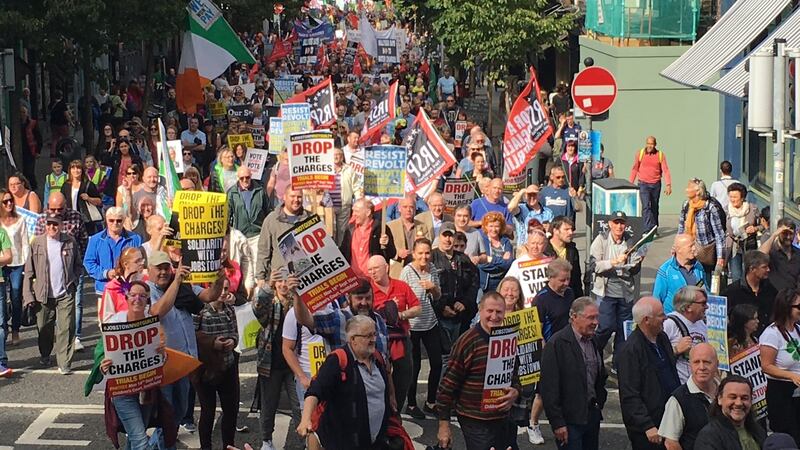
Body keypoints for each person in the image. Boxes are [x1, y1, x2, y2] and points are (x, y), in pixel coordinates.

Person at [147, 251, 225, 450]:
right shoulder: (146, 290)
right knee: (167, 414)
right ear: (149, 271)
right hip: (163, 365)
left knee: (180, 412)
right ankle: (164, 446)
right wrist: (176, 282)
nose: (164, 272)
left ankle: (155, 445)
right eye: (159, 268)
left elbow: (209, 296)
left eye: (166, 267)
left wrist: (218, 280)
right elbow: (158, 311)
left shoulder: (182, 287)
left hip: (185, 362)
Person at [99, 273, 186, 450]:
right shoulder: (115, 322)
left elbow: (161, 362)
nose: (137, 299)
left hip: (146, 391)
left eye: (142, 296)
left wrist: (162, 355)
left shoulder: (153, 325)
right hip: (123, 392)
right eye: (133, 295)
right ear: (126, 297)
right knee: (140, 441)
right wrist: (103, 366)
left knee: (134, 438)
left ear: (148, 300)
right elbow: (102, 358)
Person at [436, 292, 520, 450]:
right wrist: (444, 425)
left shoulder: (509, 338)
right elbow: (448, 384)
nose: (494, 316)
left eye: (499, 312)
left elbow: (515, 373)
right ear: (480, 311)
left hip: (503, 418)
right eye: (490, 311)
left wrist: (515, 391)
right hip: (475, 420)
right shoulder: (467, 341)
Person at [296, 315, 393, 450]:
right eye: (367, 336)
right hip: (344, 443)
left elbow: (386, 387)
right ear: (353, 339)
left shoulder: (377, 358)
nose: (373, 339)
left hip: (375, 442)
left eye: (374, 334)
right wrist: (305, 419)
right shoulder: (337, 360)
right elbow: (315, 391)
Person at [540, 297, 607, 450]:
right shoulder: (556, 344)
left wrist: (599, 402)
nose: (596, 322)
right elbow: (549, 388)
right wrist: (558, 423)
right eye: (591, 317)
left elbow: (600, 376)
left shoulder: (594, 341)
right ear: (574, 317)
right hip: (569, 421)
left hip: (591, 416)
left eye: (597, 317)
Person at [23, 212, 82, 374]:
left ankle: (64, 362)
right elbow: (29, 271)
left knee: (66, 328)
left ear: (61, 225)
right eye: (49, 224)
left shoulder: (70, 241)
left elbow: (78, 264)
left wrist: (74, 281)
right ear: (45, 225)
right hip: (43, 294)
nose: (52, 227)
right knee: (44, 327)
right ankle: (45, 353)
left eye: (55, 224)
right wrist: (28, 295)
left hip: (65, 292)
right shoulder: (37, 243)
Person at [618, 297, 680, 450]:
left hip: (669, 419)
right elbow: (629, 394)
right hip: (649, 429)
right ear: (646, 320)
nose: (665, 318)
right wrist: (647, 425)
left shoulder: (662, 338)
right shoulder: (631, 350)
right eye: (660, 315)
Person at [253, 269, 304, 450]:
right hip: (271, 363)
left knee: (300, 406)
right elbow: (257, 309)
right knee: (268, 406)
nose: (283, 285)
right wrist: (266, 287)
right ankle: (266, 440)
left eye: (286, 281)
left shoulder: (296, 302)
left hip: (294, 364)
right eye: (279, 281)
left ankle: (304, 441)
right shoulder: (270, 303)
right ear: (274, 283)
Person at [34, 192, 90, 349]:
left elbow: (84, 240)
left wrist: (78, 264)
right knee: (47, 315)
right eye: (53, 209)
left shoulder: (76, 217)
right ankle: (48, 345)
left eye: (60, 209)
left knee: (76, 304)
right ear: (47, 207)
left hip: (71, 270)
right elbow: (37, 245)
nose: (56, 213)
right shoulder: (41, 220)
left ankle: (75, 338)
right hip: (48, 272)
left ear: (65, 205)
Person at [589, 211, 643, 368]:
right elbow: (594, 266)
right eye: (616, 223)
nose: (619, 226)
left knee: (623, 331)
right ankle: (593, 355)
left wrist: (636, 263)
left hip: (625, 293)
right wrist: (613, 262)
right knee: (605, 327)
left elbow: (634, 271)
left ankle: (617, 364)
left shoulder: (630, 241)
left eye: (622, 223)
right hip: (605, 293)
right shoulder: (601, 240)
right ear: (610, 224)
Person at [194, 278, 240, 450]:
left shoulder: (229, 310)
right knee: (208, 412)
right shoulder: (199, 310)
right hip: (206, 369)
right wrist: (213, 343)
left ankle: (229, 446)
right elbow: (193, 335)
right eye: (220, 288)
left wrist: (232, 342)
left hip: (228, 366)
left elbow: (235, 333)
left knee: (231, 411)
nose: (223, 292)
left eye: (226, 288)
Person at [399, 238, 443, 419]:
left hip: (430, 323)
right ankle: (410, 404)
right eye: (420, 253)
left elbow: (438, 296)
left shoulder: (432, 269)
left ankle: (431, 401)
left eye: (427, 253)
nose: (424, 257)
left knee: (437, 363)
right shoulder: (407, 272)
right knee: (414, 366)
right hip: (413, 327)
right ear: (413, 253)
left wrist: (433, 288)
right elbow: (401, 299)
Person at [759, 288, 800, 445]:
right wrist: (791, 376)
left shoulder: (797, 329)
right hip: (781, 393)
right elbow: (766, 366)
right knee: (790, 436)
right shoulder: (772, 334)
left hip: (797, 395)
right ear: (786, 307)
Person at [658, 343, 719, 450]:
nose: (702, 367)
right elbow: (671, 443)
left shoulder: (726, 392)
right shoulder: (678, 400)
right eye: (696, 362)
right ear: (690, 365)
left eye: (707, 362)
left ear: (717, 364)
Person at [430, 222, 480, 340]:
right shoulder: (431, 257)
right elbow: (427, 288)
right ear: (439, 237)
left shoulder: (463, 259)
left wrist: (465, 302)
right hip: (438, 317)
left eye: (450, 236)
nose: (447, 239)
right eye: (444, 236)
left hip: (461, 315)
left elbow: (474, 283)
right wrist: (442, 307)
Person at [256, 188, 312, 287]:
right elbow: (263, 250)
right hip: (281, 281)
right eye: (292, 196)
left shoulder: (310, 218)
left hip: (306, 278)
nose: (296, 200)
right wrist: (260, 277)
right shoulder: (271, 220)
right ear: (284, 197)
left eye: (299, 197)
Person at [693, 375, 766, 449]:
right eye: (733, 397)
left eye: (744, 398)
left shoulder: (758, 431)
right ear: (719, 399)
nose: (739, 403)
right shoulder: (708, 436)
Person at [678, 178, 727, 283]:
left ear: (697, 191)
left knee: (709, 284)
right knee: (692, 283)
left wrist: (720, 257)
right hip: (690, 251)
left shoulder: (710, 207)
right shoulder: (687, 205)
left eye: (689, 188)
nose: (686, 190)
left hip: (707, 253)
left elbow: (719, 234)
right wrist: (676, 246)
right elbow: (681, 228)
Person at [0, 189, 29, 346]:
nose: (9, 203)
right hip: (2, 263)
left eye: (10, 200)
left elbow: (25, 243)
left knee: (16, 295)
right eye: (5, 201)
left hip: (17, 262)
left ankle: (16, 329)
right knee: (2, 299)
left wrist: (26, 264)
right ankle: (3, 329)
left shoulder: (20, 219)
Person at [724, 250, 775, 337]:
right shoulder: (731, 292)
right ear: (752, 269)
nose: (768, 269)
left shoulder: (770, 289)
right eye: (764, 267)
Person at [663, 286, 709, 383]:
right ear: (688, 307)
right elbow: (654, 354)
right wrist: (676, 350)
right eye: (703, 303)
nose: (707, 307)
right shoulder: (669, 323)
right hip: (677, 386)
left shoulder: (701, 323)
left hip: (698, 384)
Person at [341, 198, 396, 278]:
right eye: (353, 211)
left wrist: (387, 245)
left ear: (368, 212)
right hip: (354, 280)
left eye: (357, 211)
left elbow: (392, 254)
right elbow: (343, 252)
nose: (354, 214)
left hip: (373, 280)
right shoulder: (350, 229)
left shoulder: (381, 229)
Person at [653, 234, 706, 314]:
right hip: (673, 321)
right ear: (679, 249)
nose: (694, 248)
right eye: (690, 246)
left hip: (695, 319)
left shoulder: (698, 267)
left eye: (694, 245)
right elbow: (657, 300)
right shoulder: (665, 271)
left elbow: (704, 292)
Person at [629, 136, 672, 233]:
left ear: (655, 144)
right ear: (646, 144)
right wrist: (630, 183)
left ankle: (654, 228)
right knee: (646, 206)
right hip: (643, 184)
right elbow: (635, 168)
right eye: (648, 143)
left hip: (656, 184)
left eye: (652, 144)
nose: (650, 146)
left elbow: (665, 170)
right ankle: (646, 229)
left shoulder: (660, 155)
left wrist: (668, 185)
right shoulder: (640, 154)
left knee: (654, 206)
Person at [227, 166, 269, 263]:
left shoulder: (260, 191)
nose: (245, 180)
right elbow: (228, 215)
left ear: (251, 176)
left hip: (257, 233)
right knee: (240, 265)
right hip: (240, 234)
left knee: (257, 264)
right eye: (242, 178)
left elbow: (268, 211)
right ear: (238, 178)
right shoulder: (232, 193)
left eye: (247, 177)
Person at [97, 247, 146, 323]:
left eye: (142, 260)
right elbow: (106, 319)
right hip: (123, 331)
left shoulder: (146, 281)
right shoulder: (112, 287)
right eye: (137, 261)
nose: (142, 263)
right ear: (126, 264)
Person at [387, 195, 431, 278]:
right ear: (399, 209)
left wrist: (422, 242)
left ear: (415, 209)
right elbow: (385, 248)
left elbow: (429, 246)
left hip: (417, 270)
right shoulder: (390, 226)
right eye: (405, 207)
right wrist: (397, 253)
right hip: (398, 271)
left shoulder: (422, 226)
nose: (408, 210)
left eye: (411, 207)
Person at [533, 259, 576, 341]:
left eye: (568, 279)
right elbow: (537, 332)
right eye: (562, 280)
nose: (566, 283)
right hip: (552, 345)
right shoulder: (541, 299)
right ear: (550, 278)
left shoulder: (569, 292)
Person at [725, 183, 759, 282]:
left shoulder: (752, 208)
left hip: (749, 246)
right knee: (736, 276)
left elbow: (763, 226)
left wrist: (755, 229)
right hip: (734, 246)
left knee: (749, 274)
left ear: (742, 197)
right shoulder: (726, 210)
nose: (732, 199)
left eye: (735, 197)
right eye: (730, 197)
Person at [61, 159, 104, 235]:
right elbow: (62, 200)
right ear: (70, 170)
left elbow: (99, 202)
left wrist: (89, 198)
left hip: (85, 220)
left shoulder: (88, 184)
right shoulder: (66, 185)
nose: (76, 170)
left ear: (82, 170)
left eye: (78, 168)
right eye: (73, 168)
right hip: (70, 219)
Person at [331, 147, 362, 246]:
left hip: (344, 206)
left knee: (342, 231)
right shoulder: (325, 169)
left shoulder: (349, 169)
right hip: (328, 206)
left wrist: (358, 201)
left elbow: (356, 187)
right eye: (334, 154)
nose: (336, 157)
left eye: (339, 154)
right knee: (330, 230)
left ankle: (341, 250)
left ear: (342, 156)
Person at [508, 184, 555, 250]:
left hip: (542, 249)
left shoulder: (548, 212)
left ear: (539, 196)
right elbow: (510, 208)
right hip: (524, 249)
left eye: (534, 195)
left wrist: (548, 229)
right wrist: (521, 192)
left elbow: (552, 232)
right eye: (529, 195)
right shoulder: (521, 208)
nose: (532, 197)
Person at [476, 211, 514, 293]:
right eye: (491, 226)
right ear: (485, 227)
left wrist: (490, 259)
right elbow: (482, 265)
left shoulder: (506, 241)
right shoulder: (481, 241)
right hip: (485, 285)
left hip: (502, 283)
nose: (494, 229)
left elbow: (509, 263)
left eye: (497, 226)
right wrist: (501, 261)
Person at [758, 219, 800, 292]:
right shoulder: (771, 251)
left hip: (794, 297)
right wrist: (774, 235)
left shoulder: (798, 253)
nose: (788, 237)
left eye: (791, 234)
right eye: (785, 233)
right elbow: (759, 255)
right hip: (774, 296)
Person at [547, 216, 584, 297]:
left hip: (568, 297)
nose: (571, 232)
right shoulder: (544, 250)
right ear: (555, 230)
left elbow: (576, 279)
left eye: (571, 229)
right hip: (549, 297)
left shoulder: (573, 250)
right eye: (566, 229)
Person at [20, 105, 43, 191]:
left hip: (30, 151)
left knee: (30, 171)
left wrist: (38, 151)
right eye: (21, 113)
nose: (22, 115)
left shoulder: (32, 123)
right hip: (20, 151)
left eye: (24, 112)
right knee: (23, 171)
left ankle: (34, 187)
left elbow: (38, 137)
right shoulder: (17, 124)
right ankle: (26, 187)